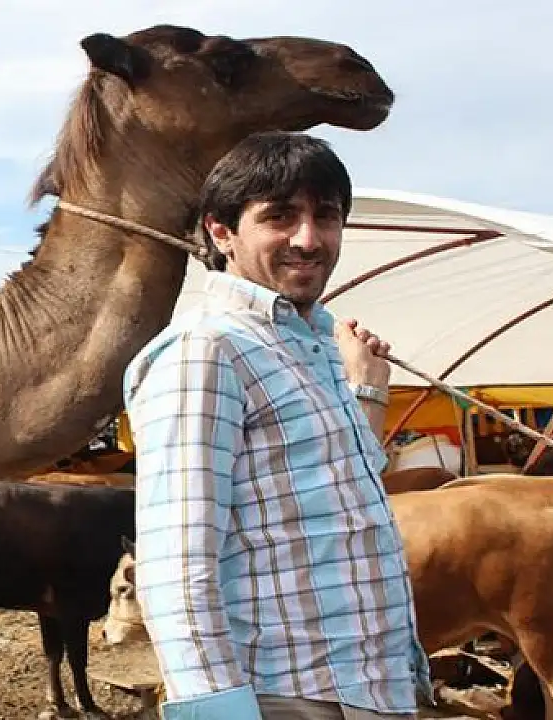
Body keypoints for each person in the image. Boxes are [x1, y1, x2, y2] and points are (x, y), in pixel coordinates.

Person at [122, 131, 431, 720]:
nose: (308, 239)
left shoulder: (315, 346)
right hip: (287, 694)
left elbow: (337, 491)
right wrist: (217, 714)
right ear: (221, 232)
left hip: (366, 684)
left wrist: (368, 387)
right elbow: (178, 562)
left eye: (326, 216)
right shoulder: (206, 351)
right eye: (280, 217)